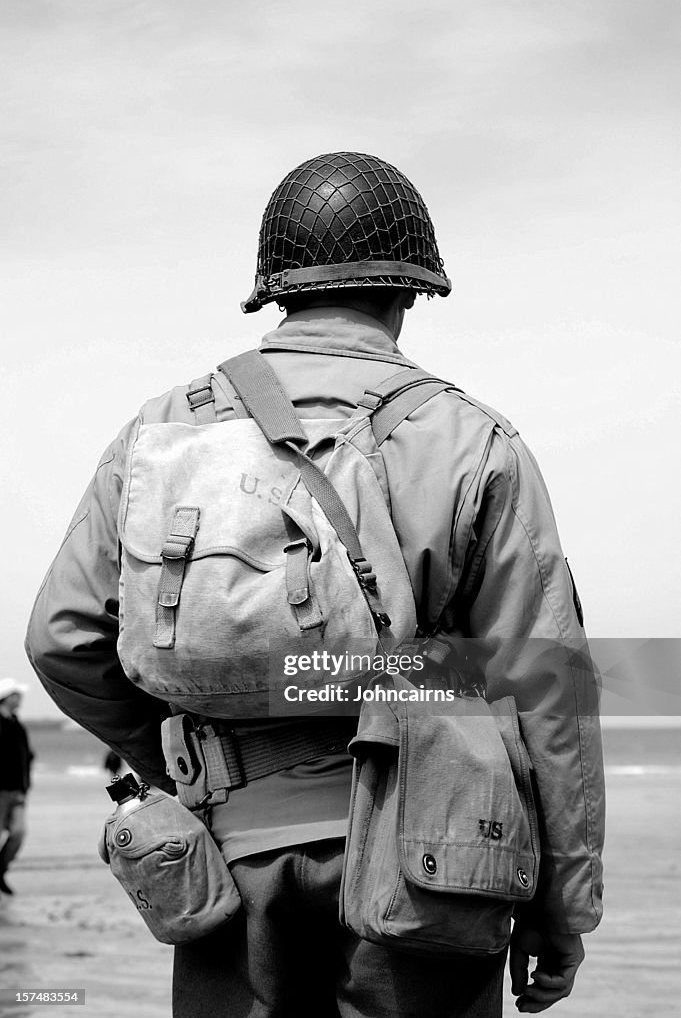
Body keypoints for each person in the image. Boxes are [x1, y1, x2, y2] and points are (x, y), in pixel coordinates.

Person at [25, 151, 605, 1017]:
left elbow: (62, 640)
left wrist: (201, 769)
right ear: (409, 291)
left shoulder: (162, 431)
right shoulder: (469, 439)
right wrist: (563, 904)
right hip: (434, 861)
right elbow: (544, 691)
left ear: (277, 289)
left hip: (230, 864)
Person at [0, 678, 34, 896]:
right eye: (17, 695)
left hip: (18, 791)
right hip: (0, 791)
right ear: (7, 697)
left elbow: (27, 756)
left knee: (18, 833)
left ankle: (0, 871)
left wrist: (25, 785)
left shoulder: (17, 724)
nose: (20, 699)